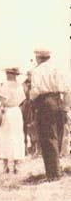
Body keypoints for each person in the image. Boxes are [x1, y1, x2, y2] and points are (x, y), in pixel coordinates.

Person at [29, 48, 70, 181]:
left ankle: (53, 174)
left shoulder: (37, 71)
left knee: (47, 137)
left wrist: (31, 99)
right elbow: (67, 89)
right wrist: (66, 106)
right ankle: (56, 169)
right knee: (58, 135)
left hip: (45, 102)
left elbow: (35, 91)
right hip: (58, 100)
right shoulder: (57, 69)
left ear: (38, 58)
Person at [0, 67, 26, 173]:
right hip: (17, 111)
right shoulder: (19, 86)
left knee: (5, 137)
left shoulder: (5, 86)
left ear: (9, 74)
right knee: (17, 137)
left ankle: (5, 165)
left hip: (8, 111)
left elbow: (3, 101)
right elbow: (22, 100)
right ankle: (17, 165)